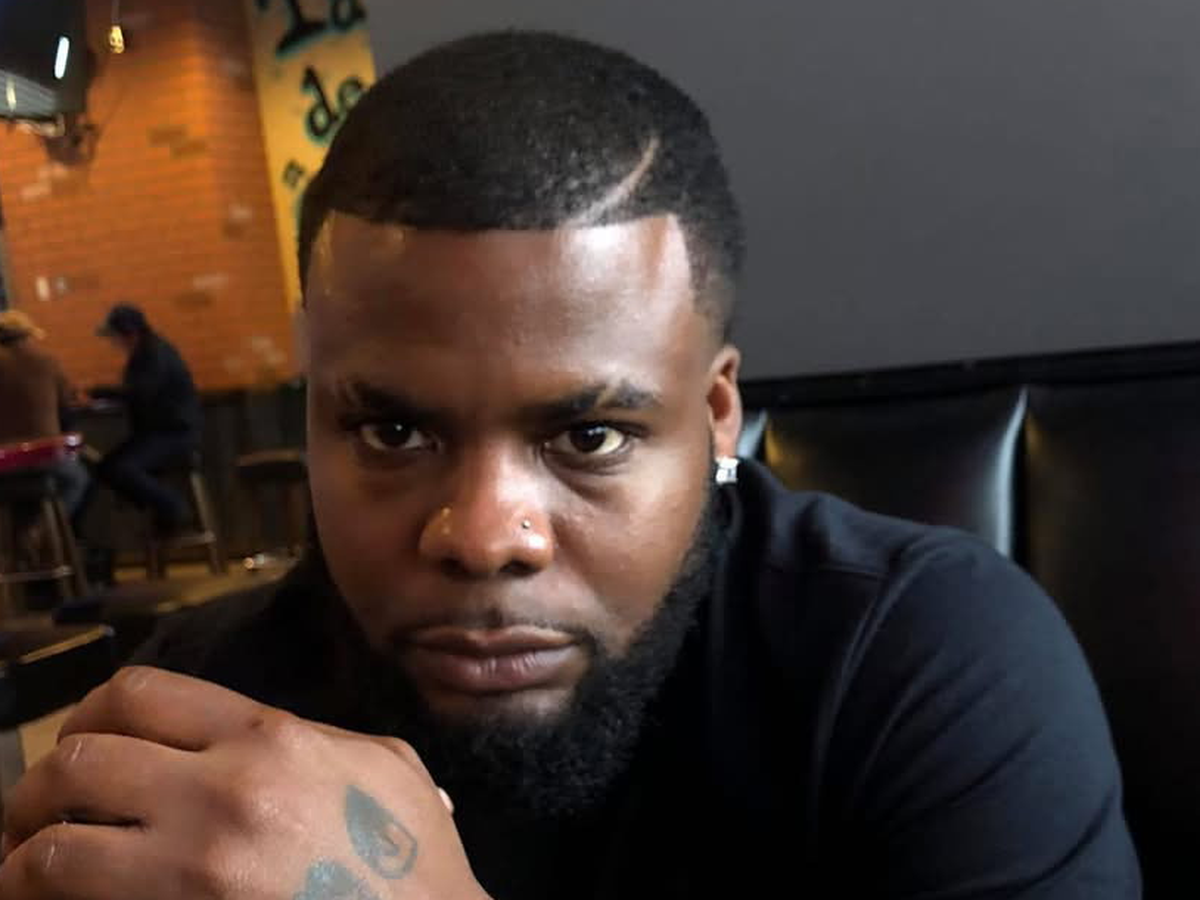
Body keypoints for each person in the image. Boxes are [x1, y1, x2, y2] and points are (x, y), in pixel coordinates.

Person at [0, 32, 1140, 899]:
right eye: (393, 433)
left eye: (588, 437)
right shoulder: (211, 704)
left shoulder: (926, 664)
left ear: (716, 416)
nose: (484, 535)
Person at [84, 302, 201, 535]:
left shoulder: (153, 354)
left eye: (115, 336)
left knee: (121, 469)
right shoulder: (150, 351)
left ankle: (173, 508)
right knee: (107, 467)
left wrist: (98, 392)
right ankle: (160, 512)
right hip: (161, 432)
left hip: (173, 434)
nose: (114, 342)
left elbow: (141, 392)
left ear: (129, 332)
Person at [0, 309, 89, 516]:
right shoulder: (47, 360)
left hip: (4, 460)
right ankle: (46, 528)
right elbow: (67, 403)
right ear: (28, 335)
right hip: (44, 456)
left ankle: (24, 531)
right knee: (77, 479)